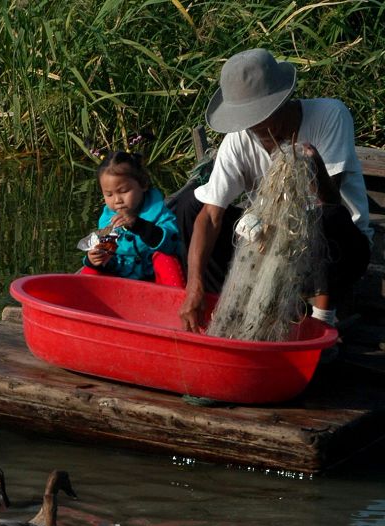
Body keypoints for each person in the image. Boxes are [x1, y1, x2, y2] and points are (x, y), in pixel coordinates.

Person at [174, 48, 372, 332]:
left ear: (282, 102)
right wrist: (195, 283)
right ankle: (227, 305)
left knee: (325, 217)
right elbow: (210, 216)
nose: (256, 128)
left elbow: (329, 200)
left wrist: (312, 164)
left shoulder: (330, 115)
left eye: (263, 118)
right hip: (270, 243)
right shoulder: (238, 139)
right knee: (189, 207)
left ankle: (321, 320)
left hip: (338, 248)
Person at [80, 150, 184, 287]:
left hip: (157, 281)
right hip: (124, 283)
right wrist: (94, 259)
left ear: (143, 184)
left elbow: (173, 244)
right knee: (89, 270)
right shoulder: (106, 221)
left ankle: (177, 303)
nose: (117, 200)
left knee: (165, 258)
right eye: (109, 195)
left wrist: (138, 225)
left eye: (123, 191)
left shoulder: (158, 213)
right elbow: (110, 259)